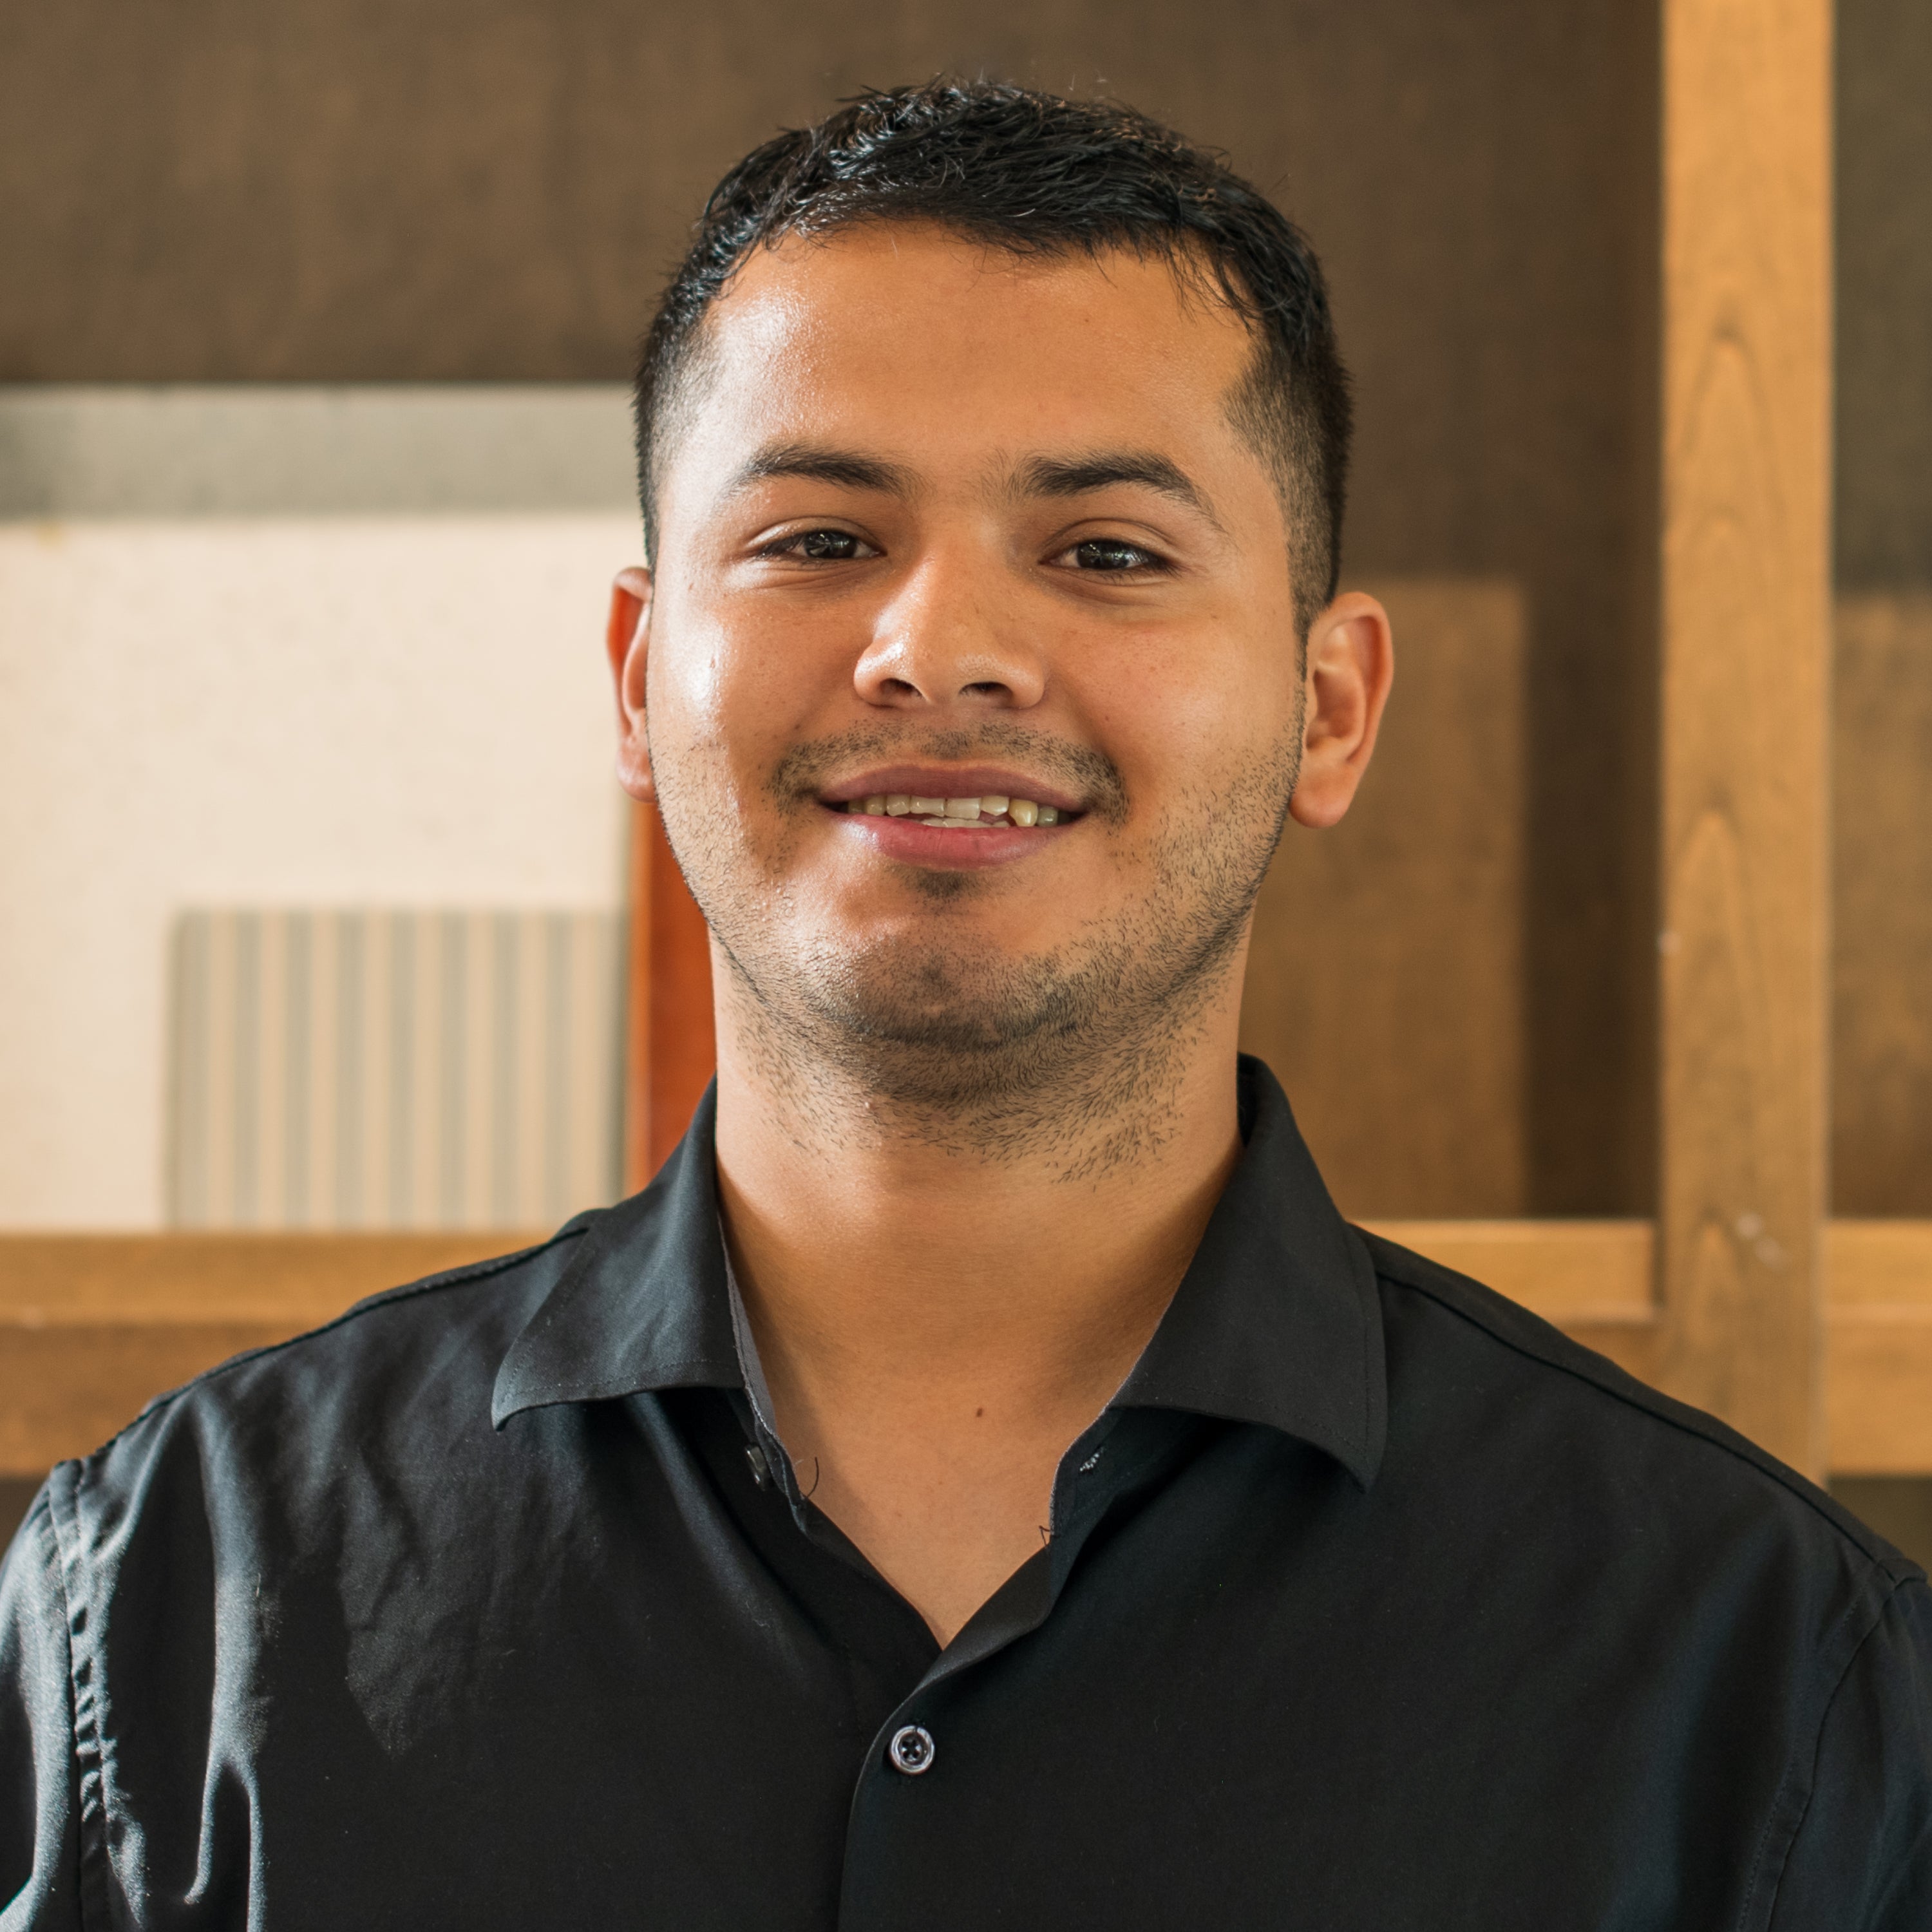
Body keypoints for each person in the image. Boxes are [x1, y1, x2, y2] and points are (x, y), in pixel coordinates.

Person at [3, 80, 1929, 1931]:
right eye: (821, 540)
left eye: (1107, 552)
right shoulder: (172, 1602)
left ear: (1329, 708)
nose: (940, 651)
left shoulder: (1768, 1680)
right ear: (638, 675)